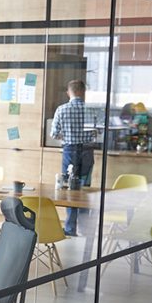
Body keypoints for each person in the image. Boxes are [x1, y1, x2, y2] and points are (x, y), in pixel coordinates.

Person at [50, 79, 96, 236]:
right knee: (85, 187)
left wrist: (68, 136)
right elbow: (98, 131)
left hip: (69, 150)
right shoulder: (91, 110)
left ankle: (70, 228)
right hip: (87, 151)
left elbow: (54, 134)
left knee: (69, 187)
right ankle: (84, 228)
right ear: (83, 92)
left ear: (68, 92)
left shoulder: (61, 109)